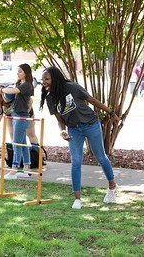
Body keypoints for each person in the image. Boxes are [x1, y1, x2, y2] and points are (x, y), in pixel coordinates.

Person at [39, 66, 119, 209]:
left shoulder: (72, 87)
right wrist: (63, 131)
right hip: (74, 129)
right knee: (76, 161)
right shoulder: (50, 98)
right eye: (42, 79)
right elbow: (59, 120)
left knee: (100, 157)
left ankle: (112, 187)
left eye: (47, 79)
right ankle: (77, 199)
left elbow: (92, 100)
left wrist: (111, 113)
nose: (44, 82)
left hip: (91, 124)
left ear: (55, 78)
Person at [0, 63, 34, 179]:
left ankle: (14, 170)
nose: (18, 73)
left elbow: (13, 91)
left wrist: (2, 89)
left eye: (20, 71)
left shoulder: (27, 85)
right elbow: (8, 97)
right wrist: (1, 94)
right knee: (23, 144)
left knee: (16, 143)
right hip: (16, 115)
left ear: (26, 72)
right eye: (17, 71)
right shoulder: (20, 84)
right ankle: (26, 168)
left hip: (22, 116)